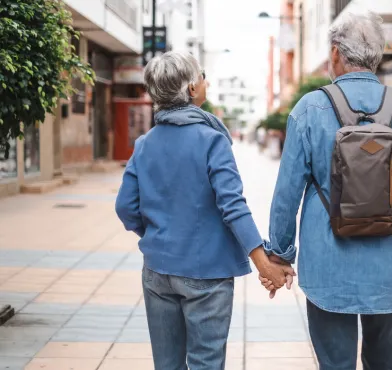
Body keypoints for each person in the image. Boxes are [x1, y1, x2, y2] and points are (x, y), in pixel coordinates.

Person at [261, 11, 392, 370]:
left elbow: (286, 193)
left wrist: (280, 255)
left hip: (327, 264)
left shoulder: (310, 109)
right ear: (378, 56)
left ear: (336, 53)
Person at [115, 51, 294, 370]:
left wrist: (158, 234)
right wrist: (264, 264)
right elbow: (233, 205)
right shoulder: (212, 141)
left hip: (158, 270)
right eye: (202, 75)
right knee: (205, 363)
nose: (205, 81)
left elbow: (126, 207)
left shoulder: (144, 144)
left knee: (167, 364)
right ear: (192, 89)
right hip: (207, 274)